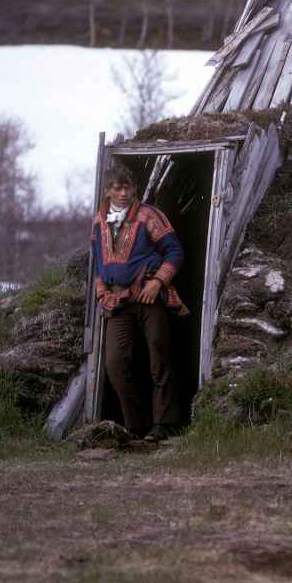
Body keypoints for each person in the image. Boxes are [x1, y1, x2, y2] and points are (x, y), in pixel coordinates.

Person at [91, 166, 188, 442]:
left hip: (149, 295)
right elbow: (98, 264)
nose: (123, 193)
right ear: (107, 191)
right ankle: (137, 425)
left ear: (134, 189)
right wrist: (101, 293)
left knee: (160, 356)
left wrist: (157, 282)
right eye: (117, 188)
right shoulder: (98, 222)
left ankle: (166, 424)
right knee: (115, 362)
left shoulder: (149, 216)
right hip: (117, 300)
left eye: (128, 187)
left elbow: (175, 251)